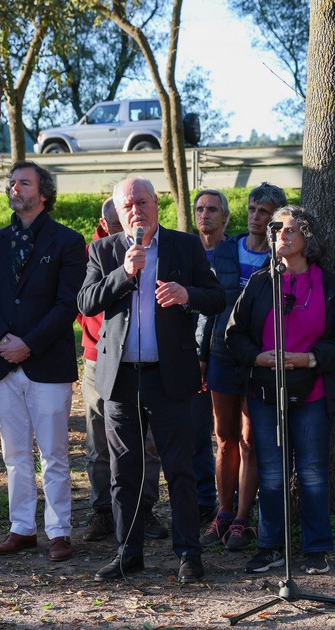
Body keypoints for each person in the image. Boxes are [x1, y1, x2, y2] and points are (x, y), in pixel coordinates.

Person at [77, 177, 224, 583]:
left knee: (179, 469)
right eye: (127, 205)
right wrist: (124, 273)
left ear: (156, 204)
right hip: (121, 378)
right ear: (117, 212)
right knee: (124, 472)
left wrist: (187, 294)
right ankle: (128, 553)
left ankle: (188, 554)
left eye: (142, 202)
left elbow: (216, 297)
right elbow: (86, 302)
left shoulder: (184, 246)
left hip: (169, 376)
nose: (136, 211)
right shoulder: (104, 250)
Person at [226, 206, 335, 575]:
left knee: (313, 472)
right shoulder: (259, 283)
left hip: (313, 392)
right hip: (266, 392)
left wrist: (311, 359)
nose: (280, 236)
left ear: (307, 238)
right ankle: (271, 547)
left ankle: (316, 548)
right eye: (276, 231)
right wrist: (257, 357)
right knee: (271, 473)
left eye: (288, 230)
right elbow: (234, 334)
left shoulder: (328, 286)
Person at [0, 160, 86, 563]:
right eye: (12, 182)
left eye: (24, 183)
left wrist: (29, 344)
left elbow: (68, 304)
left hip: (48, 364)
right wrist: (4, 339)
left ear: (44, 193)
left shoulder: (67, 241)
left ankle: (59, 531)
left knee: (54, 453)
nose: (15, 188)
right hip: (4, 362)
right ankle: (21, 528)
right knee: (14, 453)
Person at [201, 182, 287, 551]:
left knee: (250, 441)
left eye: (264, 212)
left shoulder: (281, 258)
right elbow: (208, 306)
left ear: (276, 219)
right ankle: (222, 513)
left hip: (259, 359)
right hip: (221, 355)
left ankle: (241, 518)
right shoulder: (225, 250)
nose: (256, 217)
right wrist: (201, 353)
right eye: (252, 209)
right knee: (225, 437)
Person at [78, 198, 166, 543]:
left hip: (144, 359)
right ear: (105, 224)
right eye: (117, 225)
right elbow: (84, 303)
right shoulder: (97, 251)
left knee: (148, 442)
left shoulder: (155, 247)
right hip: (98, 357)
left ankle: (145, 508)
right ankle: (102, 510)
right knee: (99, 439)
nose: (128, 229)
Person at [189, 189, 229, 526]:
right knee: (195, 428)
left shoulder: (233, 253)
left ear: (224, 216)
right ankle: (203, 499)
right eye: (200, 209)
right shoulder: (185, 251)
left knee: (230, 433)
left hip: (227, 351)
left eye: (212, 209)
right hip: (190, 354)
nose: (205, 215)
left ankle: (235, 501)